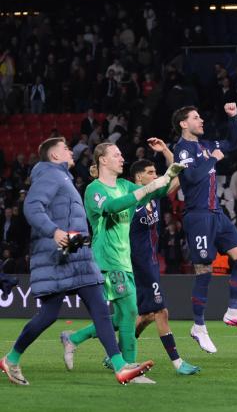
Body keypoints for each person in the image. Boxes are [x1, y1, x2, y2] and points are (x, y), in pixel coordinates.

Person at [1, 138, 153, 386]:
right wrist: (54, 231)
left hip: (77, 256)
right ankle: (12, 357)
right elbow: (32, 206)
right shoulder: (50, 175)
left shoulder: (63, 178)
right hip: (57, 258)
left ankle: (120, 367)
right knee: (48, 316)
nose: (70, 151)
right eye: (65, 149)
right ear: (54, 156)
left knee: (100, 311)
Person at [60, 142, 182, 384]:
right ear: (102, 160)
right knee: (130, 312)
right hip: (107, 260)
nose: (121, 158)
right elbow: (112, 207)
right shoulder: (94, 189)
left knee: (121, 316)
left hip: (124, 260)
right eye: (116, 154)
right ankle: (129, 368)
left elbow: (156, 191)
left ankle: (73, 339)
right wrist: (145, 189)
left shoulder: (125, 185)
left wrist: (169, 175)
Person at [173, 103, 237, 356]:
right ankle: (198, 326)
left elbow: (232, 142)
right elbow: (193, 178)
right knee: (205, 270)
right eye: (195, 118)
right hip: (197, 215)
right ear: (183, 124)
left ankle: (233, 311)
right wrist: (212, 160)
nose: (201, 121)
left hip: (217, 214)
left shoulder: (207, 145)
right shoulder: (182, 149)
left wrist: (233, 118)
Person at [129, 153, 200, 375]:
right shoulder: (129, 200)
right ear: (139, 177)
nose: (156, 175)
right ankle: (178, 364)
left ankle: (116, 354)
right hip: (138, 264)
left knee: (146, 315)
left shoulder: (155, 195)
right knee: (161, 312)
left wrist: (190, 162)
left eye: (156, 172)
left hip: (149, 262)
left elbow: (175, 178)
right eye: (150, 173)